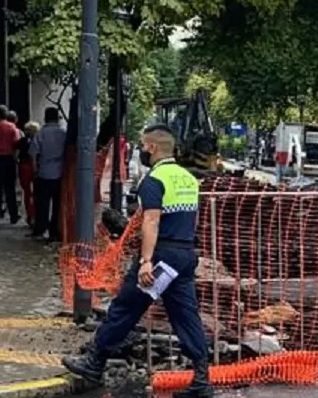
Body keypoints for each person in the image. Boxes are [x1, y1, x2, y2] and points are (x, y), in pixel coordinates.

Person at [62, 124, 213, 398]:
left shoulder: (154, 180)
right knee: (186, 315)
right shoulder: (188, 178)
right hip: (184, 256)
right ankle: (202, 379)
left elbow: (152, 221)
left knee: (126, 307)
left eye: (143, 146)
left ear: (153, 148)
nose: (142, 150)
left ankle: (94, 362)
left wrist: (145, 261)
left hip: (161, 259)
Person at [32, 107, 67, 241]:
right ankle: (54, 231)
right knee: (58, 204)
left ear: (45, 117)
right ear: (57, 117)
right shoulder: (63, 133)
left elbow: (34, 154)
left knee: (42, 203)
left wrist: (35, 170)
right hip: (60, 173)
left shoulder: (40, 133)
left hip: (44, 173)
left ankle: (41, 228)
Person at [19, 121, 40, 228]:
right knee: (36, 193)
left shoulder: (23, 141)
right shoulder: (39, 140)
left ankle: (30, 215)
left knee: (27, 192)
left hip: (25, 166)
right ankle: (35, 215)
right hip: (35, 167)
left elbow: (16, 150)